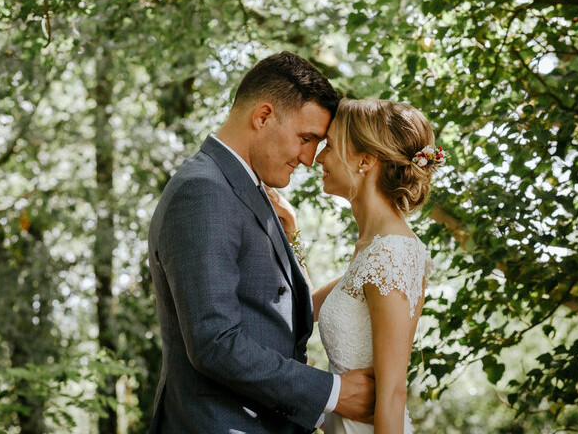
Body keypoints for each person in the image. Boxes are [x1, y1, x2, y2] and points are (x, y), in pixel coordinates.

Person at [147, 52, 376, 434]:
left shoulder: (246, 190)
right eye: (306, 139)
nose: (307, 159)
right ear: (263, 116)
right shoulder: (204, 191)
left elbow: (276, 311)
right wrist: (332, 393)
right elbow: (214, 342)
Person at [270, 99, 439, 433]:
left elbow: (392, 393)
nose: (318, 157)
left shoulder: (392, 254)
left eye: (330, 146)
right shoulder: (372, 250)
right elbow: (304, 307)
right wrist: (291, 233)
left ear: (365, 161)